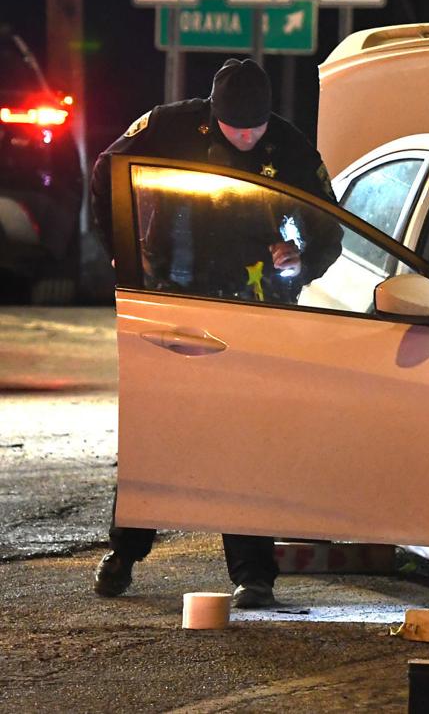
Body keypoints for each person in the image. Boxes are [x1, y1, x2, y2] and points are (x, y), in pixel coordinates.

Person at [89, 58, 340, 608]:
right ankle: (123, 554)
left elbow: (327, 225)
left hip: (254, 308)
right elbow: (106, 175)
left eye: (256, 128)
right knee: (158, 434)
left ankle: (254, 575)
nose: (248, 137)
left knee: (245, 437)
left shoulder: (291, 147)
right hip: (174, 300)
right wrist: (123, 259)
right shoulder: (170, 126)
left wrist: (299, 261)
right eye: (236, 129)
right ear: (213, 115)